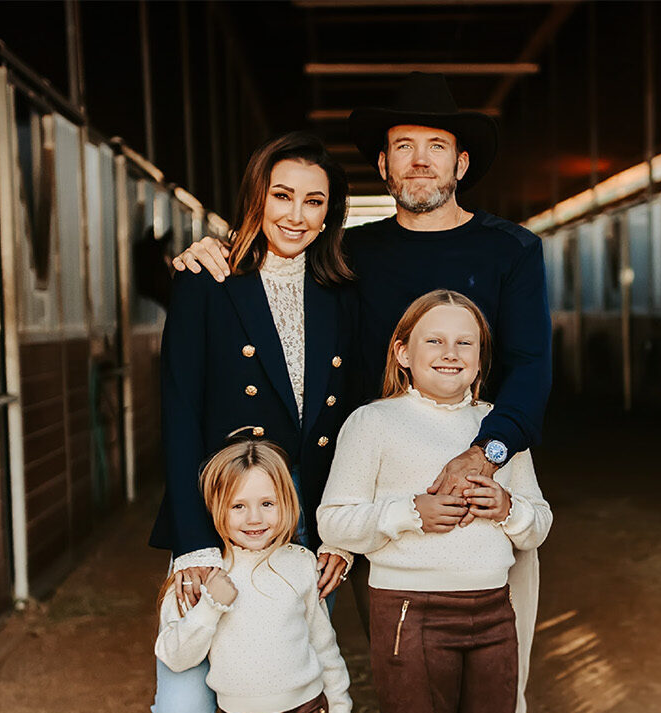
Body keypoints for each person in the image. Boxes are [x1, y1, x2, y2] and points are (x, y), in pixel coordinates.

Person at [174, 72, 554, 712]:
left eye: (437, 145)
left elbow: (531, 369)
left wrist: (484, 456)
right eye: (403, 145)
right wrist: (213, 254)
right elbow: (279, 281)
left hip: (486, 486)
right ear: (382, 163)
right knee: (399, 669)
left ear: (461, 162)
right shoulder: (345, 255)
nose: (420, 160)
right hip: (375, 492)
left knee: (498, 682)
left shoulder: (511, 250)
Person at [148, 131, 359, 713]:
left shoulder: (341, 292)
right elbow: (181, 411)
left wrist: (337, 533)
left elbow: (354, 426)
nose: (295, 215)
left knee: (286, 693)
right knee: (184, 705)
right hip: (219, 518)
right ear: (257, 197)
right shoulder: (206, 280)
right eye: (281, 195)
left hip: (303, 526)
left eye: (313, 201)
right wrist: (194, 546)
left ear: (329, 213)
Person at [317, 290, 553, 713]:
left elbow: (539, 524)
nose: (451, 353)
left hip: (494, 609)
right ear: (402, 352)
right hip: (409, 610)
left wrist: (506, 508)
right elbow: (334, 522)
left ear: (481, 360)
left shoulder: (500, 429)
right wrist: (410, 513)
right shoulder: (372, 422)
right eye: (434, 341)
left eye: (465, 343)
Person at [156, 439, 352, 713]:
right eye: (238, 506)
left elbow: (324, 645)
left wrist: (340, 706)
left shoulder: (301, 563)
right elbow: (175, 658)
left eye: (267, 503)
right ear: (215, 506)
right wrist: (210, 607)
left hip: (307, 707)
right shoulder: (200, 573)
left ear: (286, 502)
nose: (254, 518)